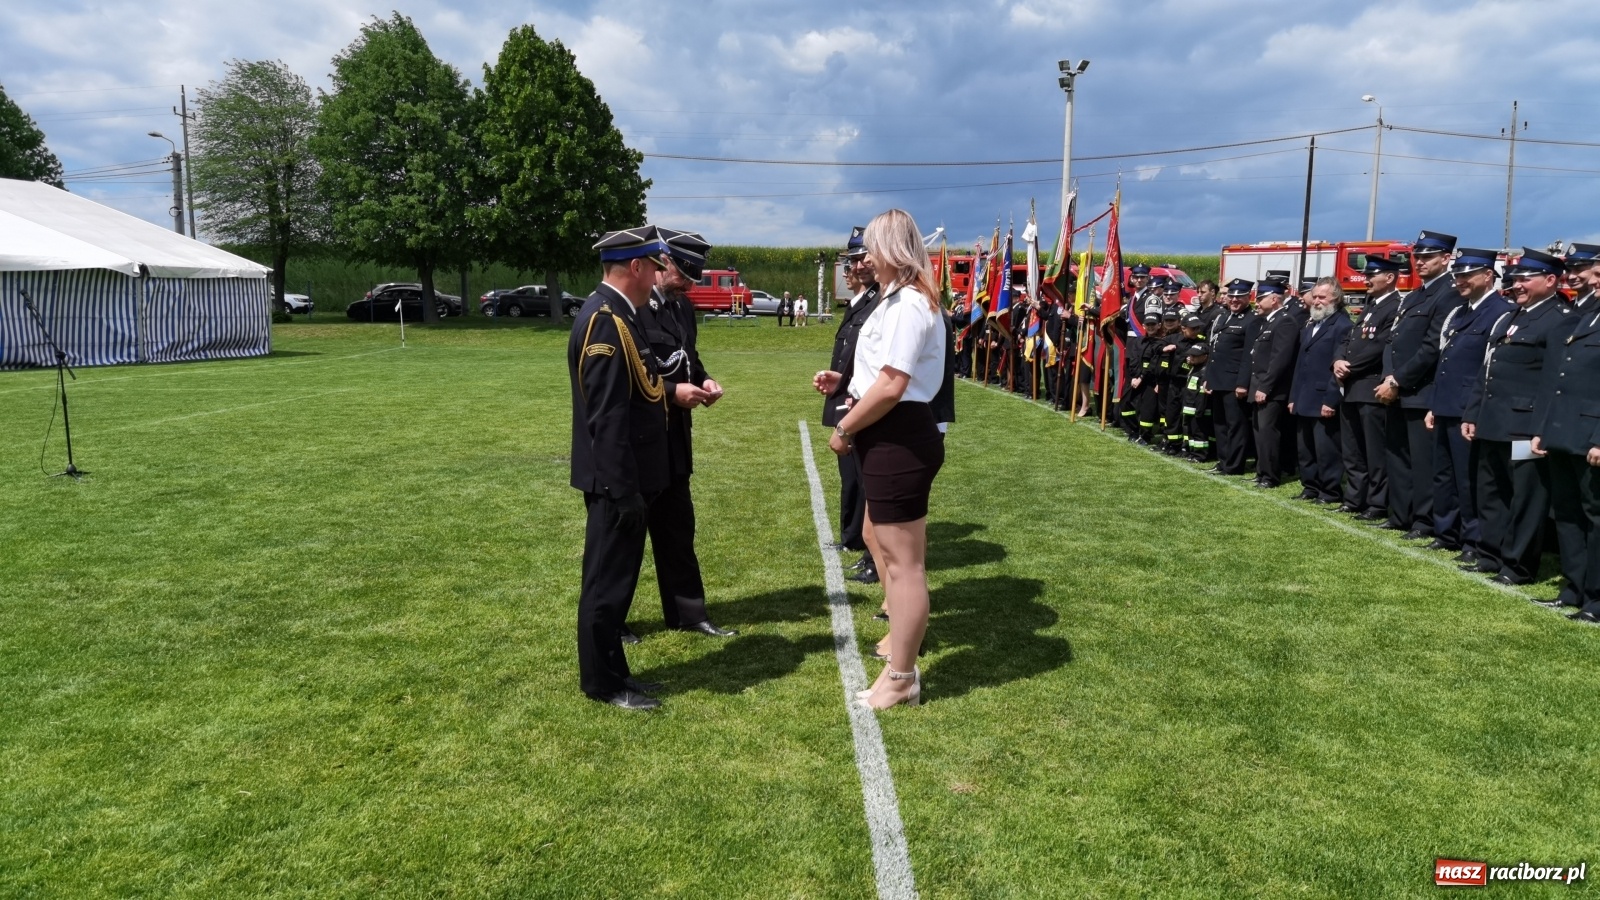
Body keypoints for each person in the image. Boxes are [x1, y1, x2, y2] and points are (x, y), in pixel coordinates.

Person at [816, 208, 946, 711]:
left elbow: (893, 385)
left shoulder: (909, 302)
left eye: (872, 247)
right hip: (889, 433)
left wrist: (845, 427)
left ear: (891, 249)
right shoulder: (896, 298)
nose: (865, 258)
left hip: (898, 435)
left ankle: (902, 677)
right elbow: (883, 374)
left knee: (904, 564)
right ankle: (898, 664)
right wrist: (847, 384)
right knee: (889, 552)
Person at [568, 226, 673, 711]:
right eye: (653, 267)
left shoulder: (622, 315)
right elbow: (607, 416)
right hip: (617, 481)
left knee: (618, 582)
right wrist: (621, 488)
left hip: (628, 476)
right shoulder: (605, 322)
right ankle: (603, 683)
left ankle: (616, 672)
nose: (657, 276)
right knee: (605, 586)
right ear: (635, 266)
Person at [624, 227, 737, 641]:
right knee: (627, 537)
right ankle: (613, 622)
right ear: (663, 262)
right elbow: (632, 372)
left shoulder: (681, 308)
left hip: (675, 439)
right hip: (641, 441)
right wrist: (673, 392)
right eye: (683, 275)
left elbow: (689, 357)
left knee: (678, 529)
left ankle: (688, 613)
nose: (689, 285)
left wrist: (704, 381)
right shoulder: (632, 307)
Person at [1463, 247, 1577, 585]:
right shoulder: (1512, 316)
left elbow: (1555, 381)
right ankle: (1490, 553)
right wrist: (1473, 412)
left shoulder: (1559, 318)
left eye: (1526, 278)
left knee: (1525, 497)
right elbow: (1488, 369)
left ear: (1551, 280)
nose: (1518, 285)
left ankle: (1517, 565)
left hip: (1525, 427)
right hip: (1493, 421)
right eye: (1516, 279)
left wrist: (1542, 428)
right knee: (1491, 491)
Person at [1427, 249, 1515, 562]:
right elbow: (1444, 361)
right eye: (1457, 275)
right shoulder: (1459, 312)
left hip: (1469, 408)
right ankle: (1446, 533)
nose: (1460, 280)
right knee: (1444, 475)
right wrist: (1433, 405)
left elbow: (1489, 368)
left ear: (1488, 275)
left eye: (1467, 275)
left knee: (1470, 479)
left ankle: (1473, 539)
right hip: (1446, 403)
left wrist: (1475, 411)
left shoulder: (1501, 312)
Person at [1376, 231, 1460, 540]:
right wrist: (1388, 377)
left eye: (1428, 257)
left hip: (1421, 391)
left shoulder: (1449, 293)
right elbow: (1392, 341)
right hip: (1396, 389)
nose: (1420, 262)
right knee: (1397, 456)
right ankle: (1401, 515)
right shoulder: (1413, 296)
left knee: (1423, 463)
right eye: (1417, 257)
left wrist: (1398, 380)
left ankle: (1424, 521)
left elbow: (1432, 346)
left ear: (1446, 259)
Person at [1531, 251, 1600, 622]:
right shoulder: (1585, 315)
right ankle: (1573, 589)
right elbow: (1557, 380)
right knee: (1569, 515)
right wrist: (1542, 429)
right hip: (1564, 431)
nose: (1594, 279)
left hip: (1591, 436)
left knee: (1595, 517)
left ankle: (1596, 599)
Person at [820, 226, 883, 583]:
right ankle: (857, 541)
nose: (856, 267)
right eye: (853, 260)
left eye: (862, 258)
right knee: (854, 478)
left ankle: (870, 553)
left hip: (863, 404)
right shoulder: (863, 303)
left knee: (866, 482)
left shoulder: (879, 302)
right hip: (850, 397)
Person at [1334, 258, 1403, 518]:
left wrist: (1349, 367)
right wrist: (1337, 360)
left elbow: (1380, 346)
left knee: (1375, 451)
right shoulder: (1371, 305)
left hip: (1371, 388)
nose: (1366, 280)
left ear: (1389, 277)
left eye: (1371, 276)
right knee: (1353, 450)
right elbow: (1349, 339)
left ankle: (1376, 503)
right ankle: (1355, 498)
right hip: (1352, 387)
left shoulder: (1395, 306)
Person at [1289, 279, 1352, 503]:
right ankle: (1310, 487)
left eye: (1322, 297)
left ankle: (1330, 491)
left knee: (1327, 450)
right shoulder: (1311, 325)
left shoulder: (1342, 325)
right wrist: (1293, 397)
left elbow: (1338, 368)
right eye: (1314, 296)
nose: (1316, 301)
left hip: (1324, 398)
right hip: (1304, 397)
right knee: (1305, 448)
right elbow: (1300, 365)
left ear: (1335, 298)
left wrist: (1331, 400)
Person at [1249, 280, 1299, 488]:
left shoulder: (1285, 321)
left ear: (1275, 299)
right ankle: (1262, 472)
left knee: (1268, 433)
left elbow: (1280, 359)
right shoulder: (1269, 321)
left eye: (1261, 298)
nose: (1257, 302)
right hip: (1259, 386)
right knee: (1259, 433)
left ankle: (1270, 476)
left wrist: (1265, 387)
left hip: (1272, 390)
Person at [1205, 279, 1258, 476]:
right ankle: (1223, 461)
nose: (1234, 300)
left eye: (1239, 297)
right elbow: (1214, 349)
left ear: (1248, 297)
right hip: (1218, 379)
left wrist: (1242, 383)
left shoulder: (1251, 320)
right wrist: (1208, 378)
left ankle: (1234, 465)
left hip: (1234, 382)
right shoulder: (1224, 316)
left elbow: (1248, 356)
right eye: (1231, 296)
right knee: (1220, 424)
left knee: (1236, 425)